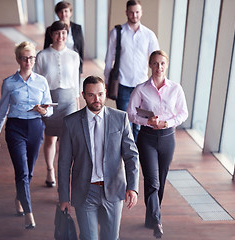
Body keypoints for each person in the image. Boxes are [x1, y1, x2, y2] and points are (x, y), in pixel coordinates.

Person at [58, 76, 139, 240]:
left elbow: (131, 156)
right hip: (85, 190)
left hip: (114, 189)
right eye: (91, 95)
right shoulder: (71, 123)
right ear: (83, 95)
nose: (97, 99)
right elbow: (64, 163)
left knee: (111, 237)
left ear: (106, 93)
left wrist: (133, 187)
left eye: (100, 94)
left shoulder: (120, 118)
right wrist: (64, 197)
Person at [0, 41, 53, 229]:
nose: (28, 61)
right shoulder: (8, 83)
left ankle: (20, 195)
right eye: (24, 58)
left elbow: (49, 109)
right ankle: (28, 212)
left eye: (31, 58)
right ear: (18, 59)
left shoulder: (42, 81)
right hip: (15, 128)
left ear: (35, 59)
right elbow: (2, 110)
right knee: (22, 171)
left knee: (30, 171)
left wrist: (43, 112)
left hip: (35, 127)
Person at [127, 50, 188, 239]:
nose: (158, 67)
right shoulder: (141, 89)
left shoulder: (176, 88)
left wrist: (167, 123)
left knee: (160, 181)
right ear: (150, 65)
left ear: (166, 65)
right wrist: (148, 121)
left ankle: (150, 217)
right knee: (152, 180)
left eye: (162, 63)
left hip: (168, 138)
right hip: (147, 139)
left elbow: (183, 113)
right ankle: (157, 221)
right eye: (155, 63)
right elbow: (131, 113)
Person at [104, 0, 159, 140]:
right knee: (125, 121)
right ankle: (127, 152)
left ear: (141, 12)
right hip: (123, 84)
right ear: (126, 12)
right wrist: (106, 81)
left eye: (137, 12)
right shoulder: (117, 32)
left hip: (142, 85)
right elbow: (109, 58)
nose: (134, 15)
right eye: (131, 12)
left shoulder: (149, 35)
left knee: (141, 123)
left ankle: (135, 153)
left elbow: (156, 60)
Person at [34, 21, 80, 188]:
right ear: (51, 34)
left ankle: (64, 174)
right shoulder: (42, 56)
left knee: (67, 141)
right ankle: (50, 170)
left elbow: (76, 82)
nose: (61, 37)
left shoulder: (74, 56)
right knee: (50, 139)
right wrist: (39, 104)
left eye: (64, 33)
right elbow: (37, 82)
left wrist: (77, 103)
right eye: (57, 33)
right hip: (49, 101)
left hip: (69, 101)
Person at [43, 1, 84, 75]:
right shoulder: (50, 29)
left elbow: (80, 48)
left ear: (70, 13)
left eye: (66, 11)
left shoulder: (78, 28)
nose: (63, 14)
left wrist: (80, 68)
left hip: (73, 62)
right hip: (55, 63)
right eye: (60, 11)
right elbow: (46, 48)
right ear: (57, 14)